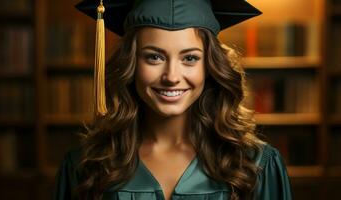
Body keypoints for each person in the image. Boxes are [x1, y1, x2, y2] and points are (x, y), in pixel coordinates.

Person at [53, 0, 292, 199]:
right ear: (131, 64)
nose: (171, 77)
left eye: (189, 58)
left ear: (209, 67)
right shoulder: (87, 166)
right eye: (154, 57)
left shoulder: (255, 165)